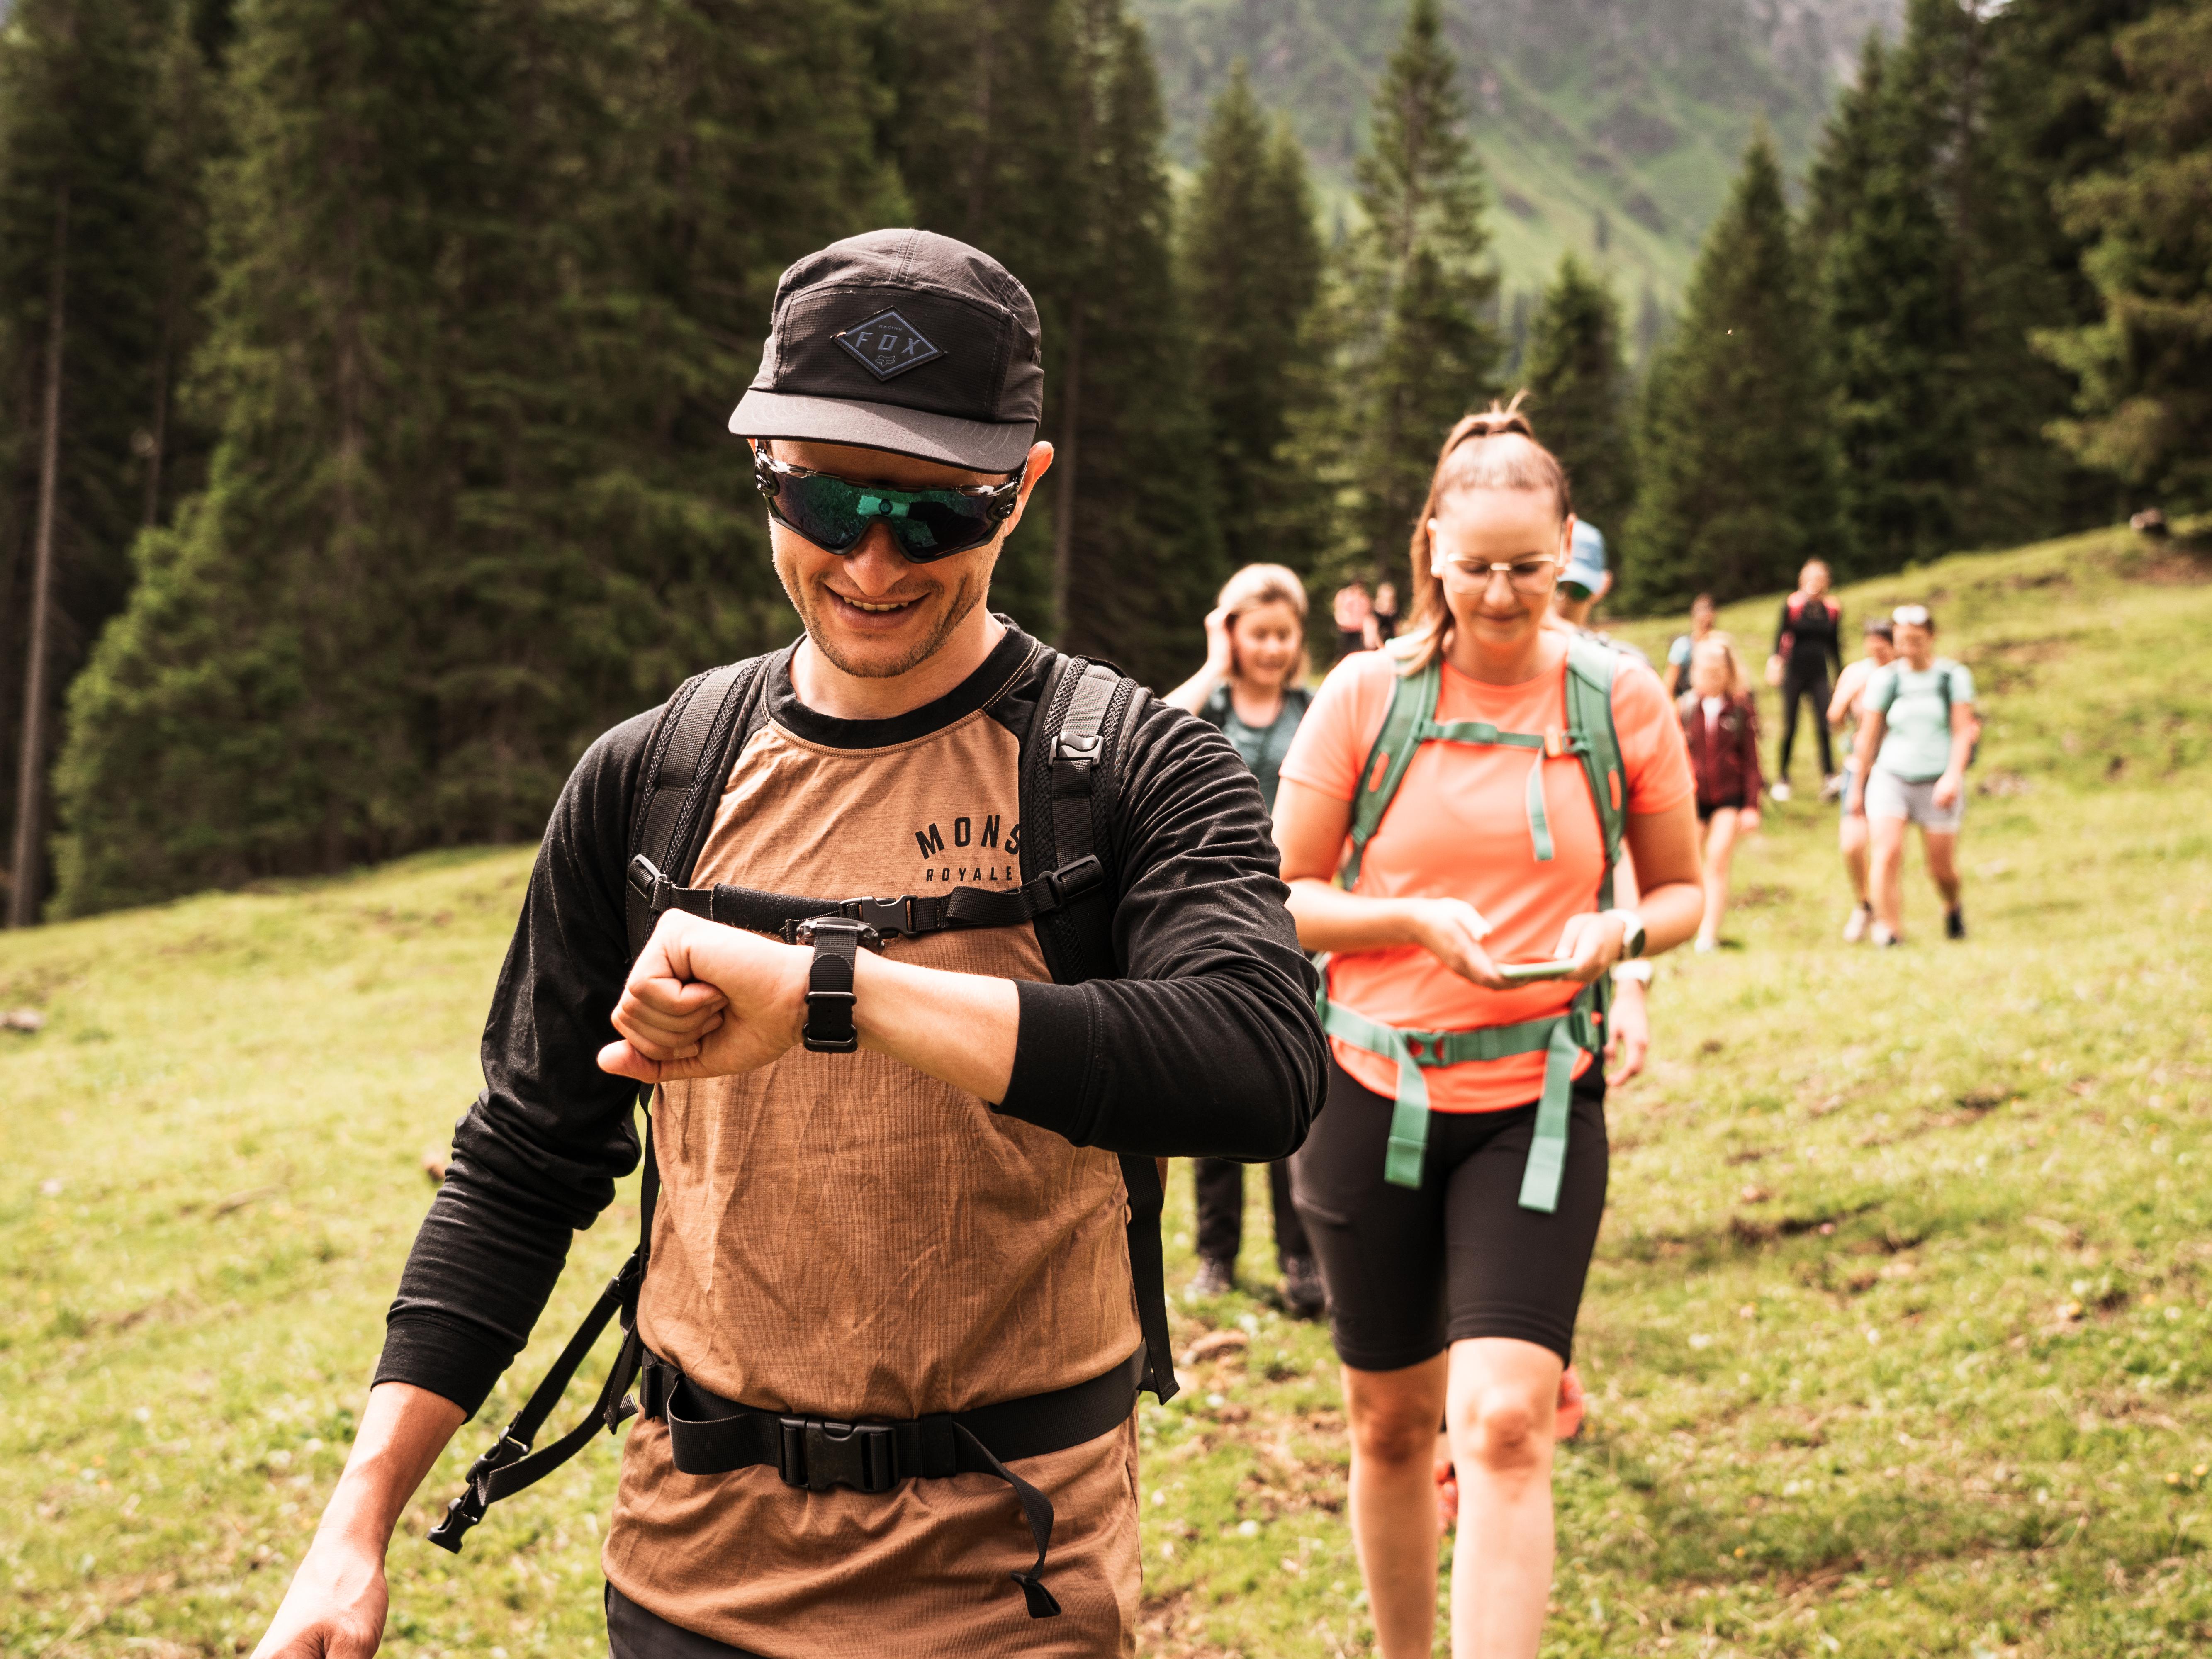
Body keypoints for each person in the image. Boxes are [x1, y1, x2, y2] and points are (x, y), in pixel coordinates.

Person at [250, 230, 1327, 1659]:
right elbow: (523, 1161)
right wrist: (353, 1526)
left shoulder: (1126, 766)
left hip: (1010, 1590)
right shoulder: (650, 780)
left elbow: (1259, 1063)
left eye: (937, 512)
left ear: (1026, 489)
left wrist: (834, 993)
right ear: (760, 466)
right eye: (823, 496)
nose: (874, 560)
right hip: (690, 1578)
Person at [1273, 401, 1702, 1659]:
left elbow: (1679, 891)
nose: (1504, 594)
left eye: (1530, 566)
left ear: (1569, 545)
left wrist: (1614, 936)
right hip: (1365, 1093)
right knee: (1392, 1426)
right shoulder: (1364, 694)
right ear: (1430, 553)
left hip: (1537, 1104)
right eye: (1477, 568)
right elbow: (1276, 897)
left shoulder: (1618, 696)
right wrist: (1406, 920)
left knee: (1505, 1420)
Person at [1164, 563, 1325, 1316]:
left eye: (1281, 635)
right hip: (1215, 921)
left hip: (1299, 925)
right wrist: (1211, 662)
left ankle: (1302, 1259)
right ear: (1232, 632)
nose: (1269, 647)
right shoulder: (1209, 706)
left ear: (1298, 640)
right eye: (1255, 632)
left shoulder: (1314, 710)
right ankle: (1215, 1257)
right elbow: (1150, 732)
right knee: (1215, 1088)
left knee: (1288, 1088)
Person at [1846, 603, 1977, 945]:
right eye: (1903, 640)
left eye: (1917, 640)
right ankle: (1889, 930)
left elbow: (1962, 731)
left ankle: (1951, 905)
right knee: (1886, 852)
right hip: (1891, 776)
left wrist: (1952, 776)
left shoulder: (1952, 677)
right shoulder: (1886, 680)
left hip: (1937, 779)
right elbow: (1868, 736)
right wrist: (1856, 787)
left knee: (1941, 869)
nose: (1909, 647)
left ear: (1931, 638)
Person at [1677, 636, 1763, 952]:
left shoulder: (1740, 708)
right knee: (1688, 865)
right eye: (1705, 668)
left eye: (1718, 668)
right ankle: (1684, 926)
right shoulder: (1685, 708)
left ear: (1728, 670)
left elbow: (1753, 762)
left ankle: (1708, 934)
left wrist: (1751, 807)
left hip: (1730, 798)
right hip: (1693, 799)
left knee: (1716, 860)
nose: (1711, 674)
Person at [1827, 618, 1896, 942]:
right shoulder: (1856, 672)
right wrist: (1850, 694)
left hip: (1893, 767)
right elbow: (1834, 720)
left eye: (1883, 650)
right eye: (1872, 649)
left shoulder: (1903, 675)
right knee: (1851, 844)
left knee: (1885, 848)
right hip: (1857, 767)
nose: (1877, 655)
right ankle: (1864, 903)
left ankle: (1887, 920)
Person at [1764, 560, 1843, 802]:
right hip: (1795, 673)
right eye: (1811, 576)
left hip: (1819, 673)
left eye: (1821, 577)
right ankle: (1783, 778)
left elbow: (1835, 646)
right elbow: (1780, 637)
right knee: (1790, 726)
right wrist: (1775, 663)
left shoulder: (1832, 610)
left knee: (1824, 725)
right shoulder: (1793, 606)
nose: (1816, 581)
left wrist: (1840, 676)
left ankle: (1830, 777)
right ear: (1802, 579)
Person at [1662, 592, 1716, 696]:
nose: (1705, 626)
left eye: (1708, 625)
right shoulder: (1682, 647)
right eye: (1702, 622)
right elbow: (1670, 683)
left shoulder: (1719, 646)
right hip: (1688, 703)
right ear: (1693, 619)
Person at [1335, 580, 1376, 659]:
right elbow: (1339, 610)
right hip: (1346, 629)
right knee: (1345, 653)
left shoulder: (1365, 598)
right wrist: (1341, 621)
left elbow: (1368, 613)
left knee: (1358, 652)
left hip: (1359, 630)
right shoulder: (1344, 596)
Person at [1369, 580, 1402, 646]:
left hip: (1391, 645)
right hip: (1377, 647)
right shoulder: (1374, 614)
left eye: (1391, 600)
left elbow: (1397, 631)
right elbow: (1371, 638)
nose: (1389, 602)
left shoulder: (1394, 614)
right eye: (1386, 599)